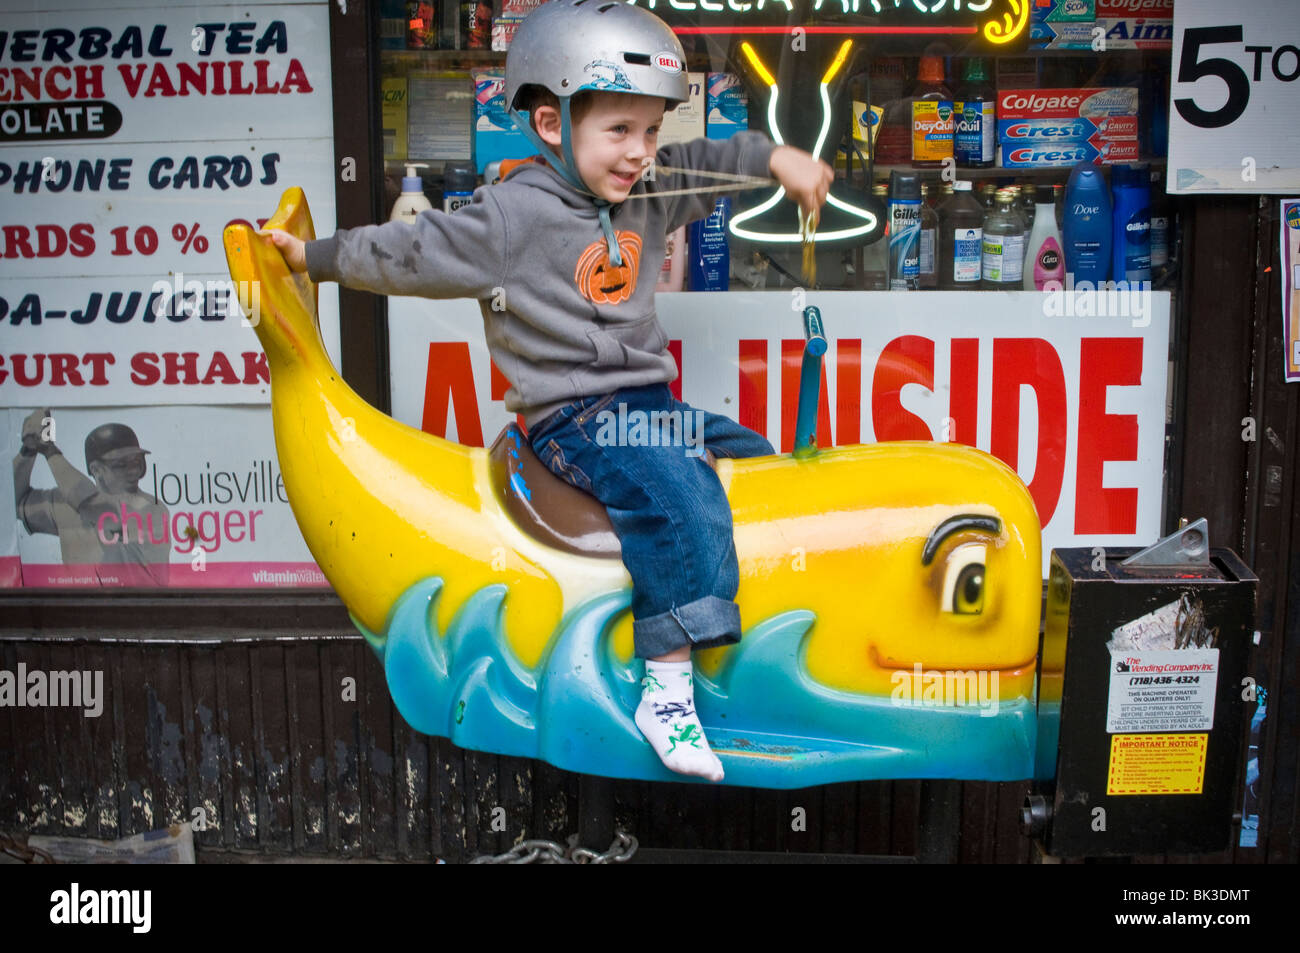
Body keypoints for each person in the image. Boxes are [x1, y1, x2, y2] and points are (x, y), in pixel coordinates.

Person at [269, 0, 832, 781]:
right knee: (679, 488)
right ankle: (665, 688)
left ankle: (737, 655)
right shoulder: (510, 216)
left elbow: (715, 158)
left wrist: (777, 160)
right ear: (549, 124)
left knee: (754, 460)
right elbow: (409, 251)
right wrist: (314, 256)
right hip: (575, 416)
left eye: (649, 130)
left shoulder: (648, 189)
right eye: (618, 131)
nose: (639, 152)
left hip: (646, 409)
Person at [13, 409, 171, 586]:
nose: (133, 471)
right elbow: (12, 502)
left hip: (138, 610)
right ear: (96, 470)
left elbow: (95, 508)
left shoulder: (151, 507)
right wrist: (28, 449)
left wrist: (49, 450)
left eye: (137, 462)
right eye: (122, 465)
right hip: (83, 610)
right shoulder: (67, 500)